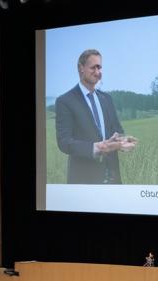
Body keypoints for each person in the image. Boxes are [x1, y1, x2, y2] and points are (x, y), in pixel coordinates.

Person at [54, 49, 135, 184]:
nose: (98, 72)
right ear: (81, 68)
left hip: (112, 177)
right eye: (93, 67)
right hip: (84, 179)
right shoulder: (65, 101)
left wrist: (121, 140)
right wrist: (97, 147)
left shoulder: (107, 99)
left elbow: (117, 129)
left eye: (100, 67)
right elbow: (64, 142)